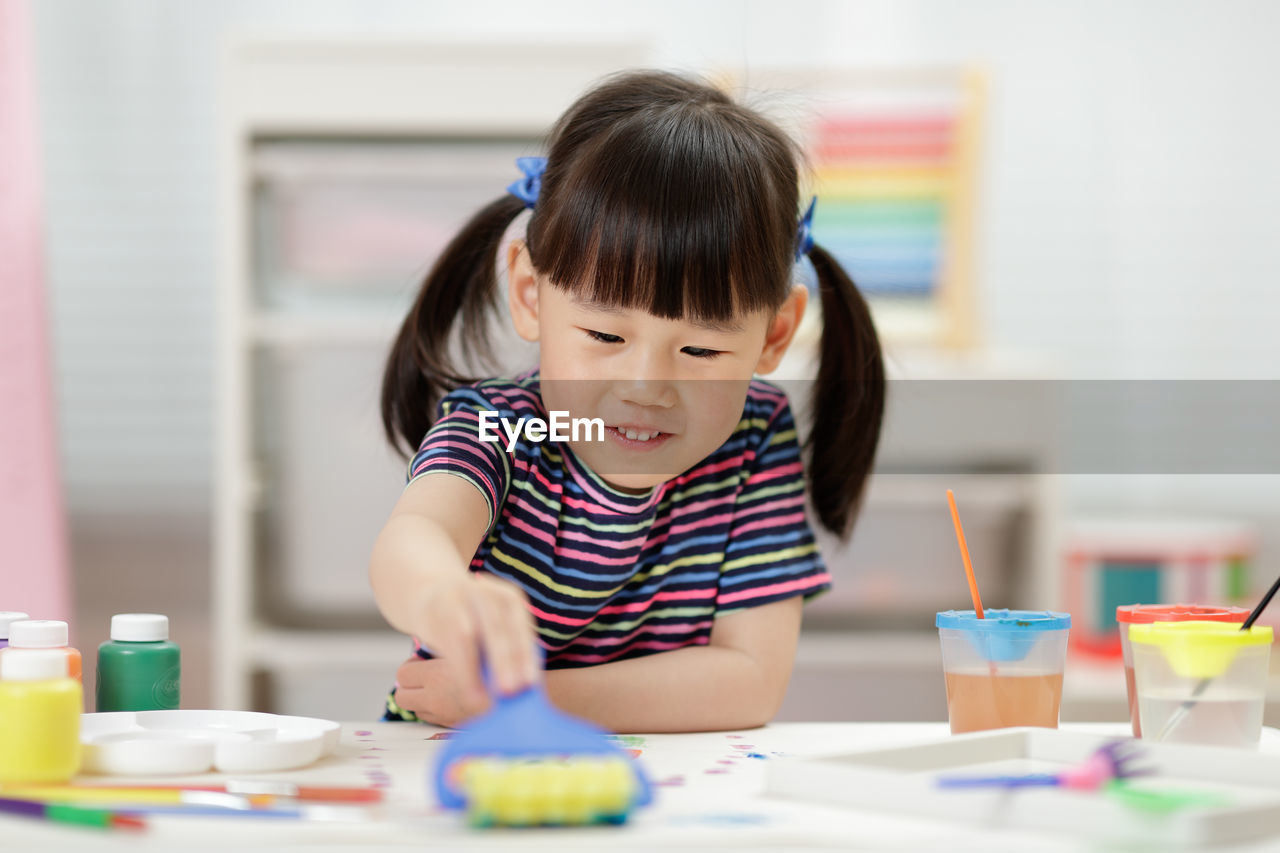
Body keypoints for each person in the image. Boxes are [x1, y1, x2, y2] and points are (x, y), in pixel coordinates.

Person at [369, 69, 884, 733]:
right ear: (530, 293)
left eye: (699, 351)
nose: (645, 387)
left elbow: (751, 681)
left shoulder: (754, 436)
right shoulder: (500, 429)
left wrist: (525, 699)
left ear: (774, 333)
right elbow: (416, 536)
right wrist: (441, 595)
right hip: (465, 766)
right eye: (606, 335)